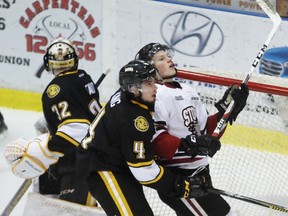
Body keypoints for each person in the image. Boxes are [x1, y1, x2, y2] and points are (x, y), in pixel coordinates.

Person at [76, 60, 217, 216]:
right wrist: (181, 185)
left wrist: (185, 144)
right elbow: (143, 171)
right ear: (134, 88)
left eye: (154, 81)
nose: (156, 87)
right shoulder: (134, 120)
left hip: (119, 160)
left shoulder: (130, 96)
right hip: (102, 167)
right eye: (149, 84)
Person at [135, 43, 249, 216]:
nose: (169, 60)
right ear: (150, 69)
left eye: (168, 56)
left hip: (199, 172)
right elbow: (158, 141)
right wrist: (191, 143)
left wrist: (227, 110)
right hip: (179, 178)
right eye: (161, 59)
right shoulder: (154, 94)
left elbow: (206, 133)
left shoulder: (188, 90)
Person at [4, 37, 101, 206]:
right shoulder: (83, 77)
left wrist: (42, 148)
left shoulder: (54, 90)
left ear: (48, 63)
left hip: (81, 164)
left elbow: (76, 130)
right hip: (86, 159)